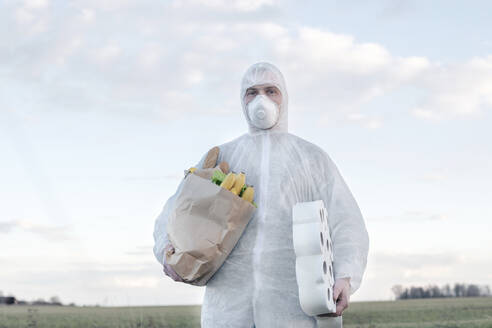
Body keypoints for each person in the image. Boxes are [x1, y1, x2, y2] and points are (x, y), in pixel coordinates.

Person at [153, 62, 370, 328]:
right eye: (252, 92)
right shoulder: (221, 157)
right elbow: (177, 210)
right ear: (242, 100)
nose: (261, 100)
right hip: (228, 308)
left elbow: (346, 220)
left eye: (271, 91)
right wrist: (166, 250)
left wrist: (346, 275)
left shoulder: (311, 158)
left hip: (293, 309)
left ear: (284, 98)